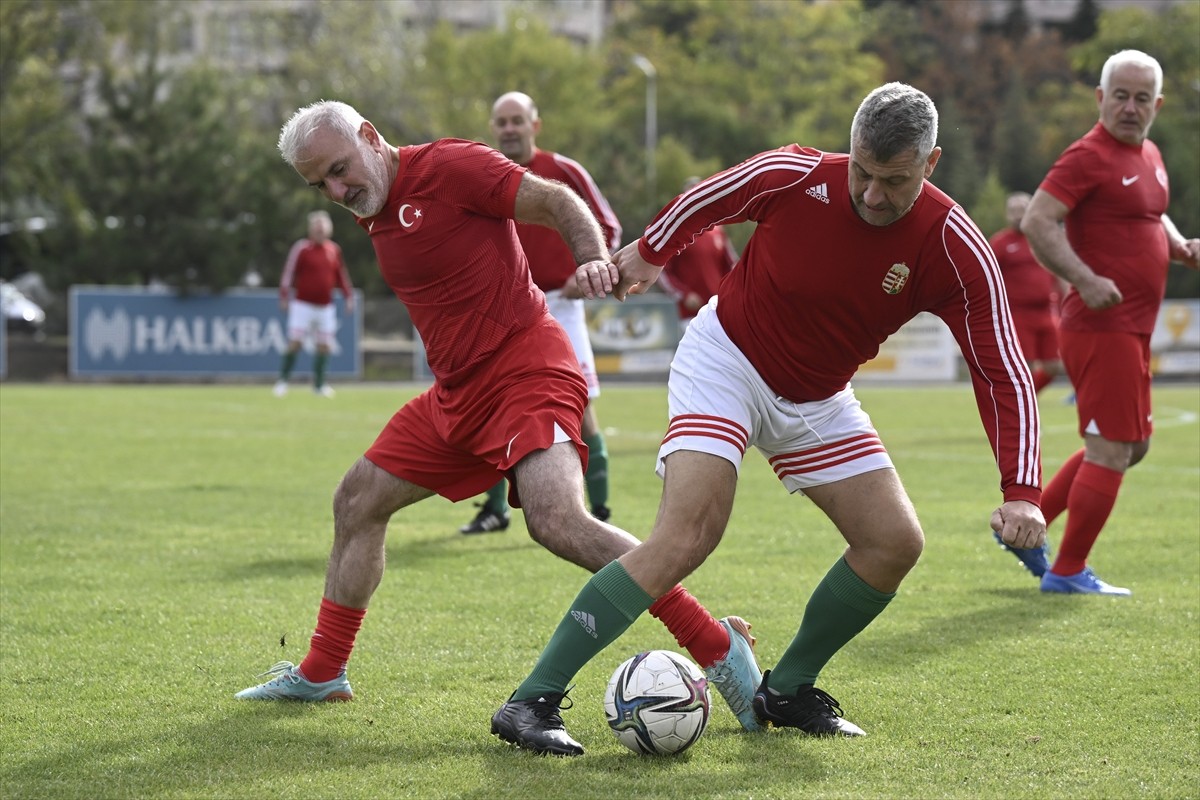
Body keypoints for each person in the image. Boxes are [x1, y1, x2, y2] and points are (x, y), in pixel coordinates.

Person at [492, 82, 1046, 755]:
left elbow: (1003, 368)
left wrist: (1022, 492)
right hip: (727, 360)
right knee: (689, 532)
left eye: (893, 181)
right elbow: (713, 194)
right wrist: (652, 249)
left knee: (894, 541)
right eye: (862, 172)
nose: (871, 195)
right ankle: (532, 700)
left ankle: (786, 688)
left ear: (931, 165)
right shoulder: (799, 174)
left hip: (817, 398)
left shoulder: (955, 244)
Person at [235, 101, 763, 752]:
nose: (338, 192)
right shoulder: (375, 207)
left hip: (526, 371)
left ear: (371, 138)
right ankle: (322, 672)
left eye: (341, 171)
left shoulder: (451, 165)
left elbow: (557, 200)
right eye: (320, 186)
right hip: (458, 395)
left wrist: (592, 257)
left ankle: (716, 643)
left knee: (558, 520)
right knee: (356, 501)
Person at [1015, 49, 1199, 596]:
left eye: (1142, 98)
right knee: (1112, 449)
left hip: (1135, 326)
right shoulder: (1086, 155)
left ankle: (1028, 526)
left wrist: (1179, 247)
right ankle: (1067, 571)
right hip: (1101, 325)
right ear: (1100, 98)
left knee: (1131, 446)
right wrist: (1086, 278)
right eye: (1119, 95)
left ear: (1157, 105)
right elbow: (1038, 220)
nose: (1129, 106)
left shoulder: (1149, 154)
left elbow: (1150, 211)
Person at [458, 91, 620, 534]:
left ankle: (599, 511)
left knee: (581, 406)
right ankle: (495, 511)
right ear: (493, 128)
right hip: (502, 310)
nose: (509, 128)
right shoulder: (484, 174)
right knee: (493, 408)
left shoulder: (563, 171)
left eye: (517, 120)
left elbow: (606, 224)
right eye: (501, 122)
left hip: (559, 307)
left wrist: (586, 265)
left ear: (535, 125)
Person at [273, 210, 355, 398]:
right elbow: (289, 272)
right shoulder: (302, 248)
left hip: (325, 307)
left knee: (324, 345)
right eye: (317, 227)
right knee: (295, 343)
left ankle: (319, 385)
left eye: (323, 227)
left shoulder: (334, 250)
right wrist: (284, 295)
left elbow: (341, 276)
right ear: (311, 229)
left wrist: (348, 297)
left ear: (328, 229)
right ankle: (283, 381)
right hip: (302, 305)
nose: (320, 231)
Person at [989, 192, 1064, 395]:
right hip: (1017, 313)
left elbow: (1059, 271)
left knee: (1053, 365)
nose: (1018, 215)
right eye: (1013, 211)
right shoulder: (1001, 242)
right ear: (1007, 215)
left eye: (1022, 210)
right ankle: (1024, 404)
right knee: (1024, 365)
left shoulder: (1043, 238)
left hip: (1047, 311)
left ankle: (1026, 398)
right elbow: (987, 276)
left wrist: (1066, 301)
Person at [659, 176, 738, 330]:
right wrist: (684, 294)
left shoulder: (718, 230)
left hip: (718, 311)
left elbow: (733, 267)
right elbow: (663, 270)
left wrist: (730, 295)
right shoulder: (677, 231)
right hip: (690, 314)